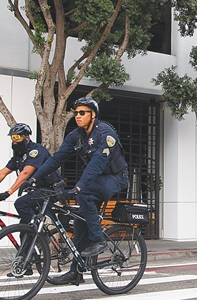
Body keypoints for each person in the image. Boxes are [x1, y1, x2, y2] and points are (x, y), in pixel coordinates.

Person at [26, 96, 129, 285]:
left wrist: (79, 187)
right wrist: (33, 178)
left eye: (82, 112)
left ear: (93, 114)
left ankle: (99, 239)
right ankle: (76, 271)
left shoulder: (105, 133)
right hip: (96, 180)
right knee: (80, 225)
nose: (78, 116)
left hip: (116, 178)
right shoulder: (77, 135)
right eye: (76, 113)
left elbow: (97, 164)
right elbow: (56, 159)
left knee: (85, 193)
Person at [0, 123, 63, 225]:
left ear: (27, 137)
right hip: (38, 190)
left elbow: (26, 173)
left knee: (21, 203)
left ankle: (38, 232)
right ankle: (31, 232)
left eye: (17, 137)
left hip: (52, 190)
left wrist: (9, 192)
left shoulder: (36, 151)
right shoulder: (19, 155)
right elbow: (3, 172)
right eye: (12, 137)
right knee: (24, 227)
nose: (14, 140)